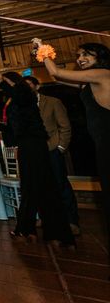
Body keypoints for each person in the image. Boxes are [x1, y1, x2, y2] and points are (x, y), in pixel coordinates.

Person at [34, 40, 110, 254]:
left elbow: (56, 71)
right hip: (103, 143)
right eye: (78, 55)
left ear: (100, 58)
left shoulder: (102, 74)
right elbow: (55, 76)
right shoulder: (88, 82)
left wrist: (42, 48)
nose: (80, 59)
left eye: (87, 55)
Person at [0, 72, 74, 245]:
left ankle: (50, 231)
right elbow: (19, 127)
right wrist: (0, 127)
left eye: (6, 82)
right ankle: (33, 229)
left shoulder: (24, 94)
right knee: (33, 186)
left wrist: (2, 82)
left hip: (36, 145)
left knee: (43, 187)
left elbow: (21, 93)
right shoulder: (17, 101)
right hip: (27, 145)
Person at [24, 75, 79, 235]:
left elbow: (65, 126)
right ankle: (46, 217)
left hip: (52, 150)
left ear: (37, 86)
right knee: (40, 186)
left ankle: (71, 221)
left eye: (28, 85)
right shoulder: (23, 106)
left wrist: (61, 147)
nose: (26, 89)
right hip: (34, 154)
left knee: (61, 185)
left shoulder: (53, 102)